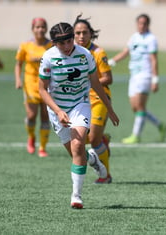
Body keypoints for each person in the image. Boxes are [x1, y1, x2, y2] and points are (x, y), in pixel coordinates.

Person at [38, 22, 119, 209]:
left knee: (77, 144)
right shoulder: (48, 58)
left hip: (80, 104)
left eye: (69, 41)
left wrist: (110, 109)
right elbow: (42, 90)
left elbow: (96, 84)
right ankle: (92, 159)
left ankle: (76, 196)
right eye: (62, 43)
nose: (67, 46)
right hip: (57, 109)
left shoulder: (85, 55)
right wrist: (58, 111)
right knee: (77, 153)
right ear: (54, 43)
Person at [108, 13, 166, 144]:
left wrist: (155, 79)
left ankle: (136, 136)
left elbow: (154, 60)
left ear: (148, 25)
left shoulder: (151, 39)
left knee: (140, 106)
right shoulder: (134, 37)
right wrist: (112, 61)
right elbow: (125, 52)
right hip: (134, 76)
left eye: (144, 23)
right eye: (139, 23)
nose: (141, 25)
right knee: (135, 108)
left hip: (145, 75)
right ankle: (160, 125)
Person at [73, 14, 113, 183]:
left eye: (85, 32)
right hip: (79, 101)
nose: (81, 36)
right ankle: (104, 141)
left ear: (91, 34)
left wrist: (88, 83)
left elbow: (108, 78)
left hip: (99, 99)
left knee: (93, 139)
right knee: (83, 139)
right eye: (78, 33)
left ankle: (106, 175)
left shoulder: (98, 52)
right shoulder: (70, 52)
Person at [15, 17, 53, 157]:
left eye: (43, 27)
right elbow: (18, 64)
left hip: (47, 83)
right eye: (37, 27)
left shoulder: (51, 45)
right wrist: (18, 79)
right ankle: (31, 137)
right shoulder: (25, 45)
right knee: (31, 115)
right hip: (30, 83)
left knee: (45, 116)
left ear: (46, 28)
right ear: (33, 29)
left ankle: (42, 148)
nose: (40, 30)